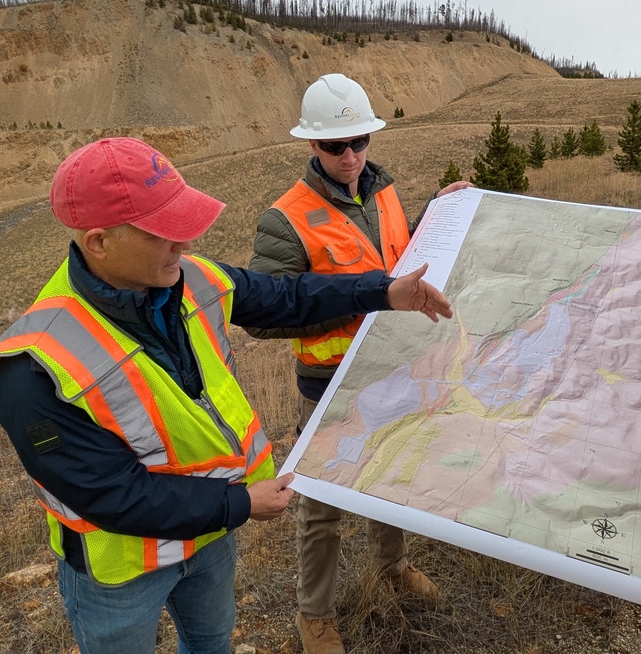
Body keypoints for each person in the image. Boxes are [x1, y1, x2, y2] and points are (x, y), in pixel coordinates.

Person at [0, 137, 452, 654]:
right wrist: (239, 502)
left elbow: (286, 297)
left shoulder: (189, 276)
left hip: (209, 538)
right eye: (163, 230)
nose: (185, 241)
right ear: (99, 242)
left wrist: (382, 291)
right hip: (123, 570)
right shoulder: (34, 366)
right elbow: (112, 495)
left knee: (210, 643)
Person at [246, 73, 471, 654]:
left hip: (392, 366)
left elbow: (394, 255)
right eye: (335, 146)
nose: (350, 157)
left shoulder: (385, 192)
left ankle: (392, 569)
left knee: (389, 473)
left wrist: (433, 215)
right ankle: (314, 616)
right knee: (321, 504)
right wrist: (364, 292)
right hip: (330, 385)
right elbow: (263, 313)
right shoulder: (285, 219)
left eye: (360, 142)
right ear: (312, 147)